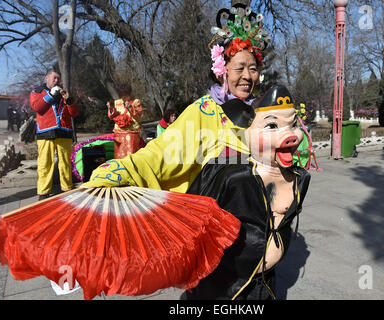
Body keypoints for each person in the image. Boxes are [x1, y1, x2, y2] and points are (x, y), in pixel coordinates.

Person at [82, 3, 270, 193]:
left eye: (253, 69)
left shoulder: (263, 112)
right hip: (219, 215)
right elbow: (164, 153)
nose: (247, 76)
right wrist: (125, 170)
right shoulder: (205, 112)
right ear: (222, 71)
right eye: (239, 68)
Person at [184, 84, 311, 300]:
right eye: (272, 125)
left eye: (292, 125)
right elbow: (193, 221)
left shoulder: (300, 178)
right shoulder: (229, 176)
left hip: (267, 284)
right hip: (225, 288)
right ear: (247, 127)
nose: (289, 135)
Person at [30, 69, 79, 201]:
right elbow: (37, 108)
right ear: (47, 77)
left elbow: (74, 113)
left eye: (58, 79)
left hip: (64, 131)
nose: (57, 81)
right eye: (54, 78)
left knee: (65, 163)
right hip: (45, 132)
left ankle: (67, 188)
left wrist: (69, 100)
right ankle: (43, 192)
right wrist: (50, 95)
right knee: (45, 163)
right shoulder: (37, 92)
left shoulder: (65, 93)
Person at [107, 83, 145, 159]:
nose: (123, 98)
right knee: (119, 154)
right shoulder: (117, 102)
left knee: (131, 154)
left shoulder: (136, 102)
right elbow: (112, 116)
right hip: (119, 133)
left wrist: (130, 108)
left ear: (129, 93)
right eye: (121, 96)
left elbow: (138, 116)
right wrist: (111, 108)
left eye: (125, 95)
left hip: (131, 133)